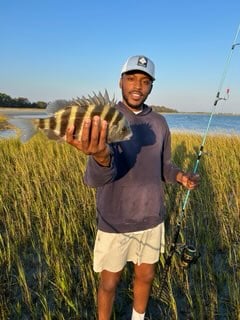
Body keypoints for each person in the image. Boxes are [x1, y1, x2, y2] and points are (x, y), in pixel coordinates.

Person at [66, 55, 199, 320]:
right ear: (120, 81)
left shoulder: (160, 122)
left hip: (151, 219)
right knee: (109, 282)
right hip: (114, 220)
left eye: (145, 81)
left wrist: (181, 176)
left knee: (146, 276)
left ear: (151, 86)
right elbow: (94, 180)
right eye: (131, 78)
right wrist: (100, 157)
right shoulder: (105, 118)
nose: (137, 85)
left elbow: (165, 167)